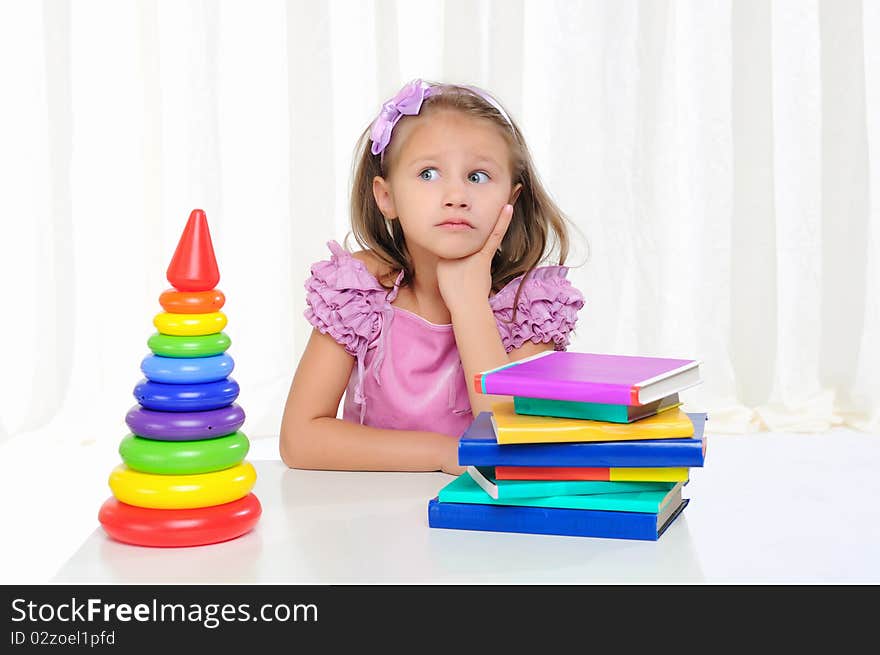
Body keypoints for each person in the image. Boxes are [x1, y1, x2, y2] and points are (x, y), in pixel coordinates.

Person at [280, 79, 585, 475]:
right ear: (386, 197)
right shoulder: (357, 291)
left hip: (485, 523)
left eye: (477, 176)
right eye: (428, 174)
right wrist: (443, 453)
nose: (456, 194)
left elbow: (511, 442)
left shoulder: (531, 307)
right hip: (365, 515)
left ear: (510, 199)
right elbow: (300, 440)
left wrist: (469, 301)